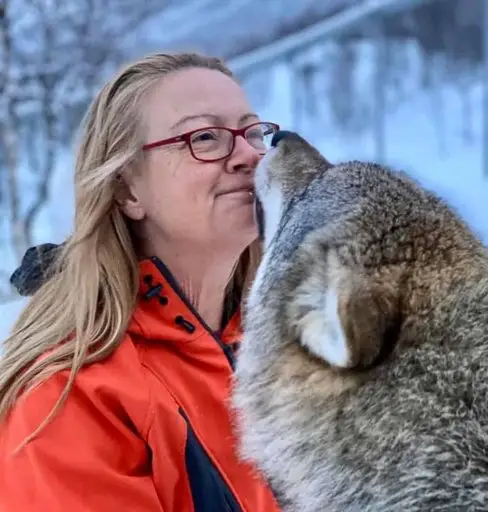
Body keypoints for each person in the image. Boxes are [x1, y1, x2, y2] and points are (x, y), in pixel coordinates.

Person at [0, 52, 282, 512]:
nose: (250, 155)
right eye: (205, 137)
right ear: (128, 189)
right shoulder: (72, 399)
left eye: (253, 133)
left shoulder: (279, 349)